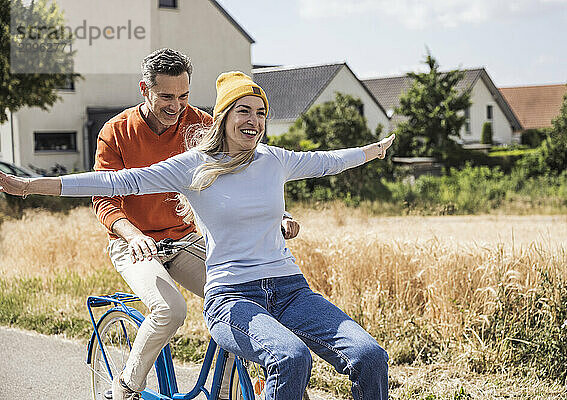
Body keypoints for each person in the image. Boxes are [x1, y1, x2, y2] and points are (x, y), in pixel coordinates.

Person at [0, 71, 394, 400]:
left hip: (290, 289)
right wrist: (31, 186)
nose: (254, 121)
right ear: (223, 117)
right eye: (244, 111)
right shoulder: (194, 165)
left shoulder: (275, 160)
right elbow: (118, 180)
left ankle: (227, 388)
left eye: (261, 113)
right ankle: (127, 386)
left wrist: (373, 150)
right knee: (289, 357)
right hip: (232, 294)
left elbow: (330, 161)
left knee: (370, 355)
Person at [89, 48, 299, 400]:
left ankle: (225, 391)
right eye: (166, 97)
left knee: (241, 300)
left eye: (183, 96)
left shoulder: (201, 124)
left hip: (185, 240)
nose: (176, 106)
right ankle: (125, 386)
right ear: (145, 89)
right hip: (133, 243)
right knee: (170, 309)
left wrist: (279, 214)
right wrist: (134, 234)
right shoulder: (117, 132)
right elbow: (104, 199)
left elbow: (245, 171)